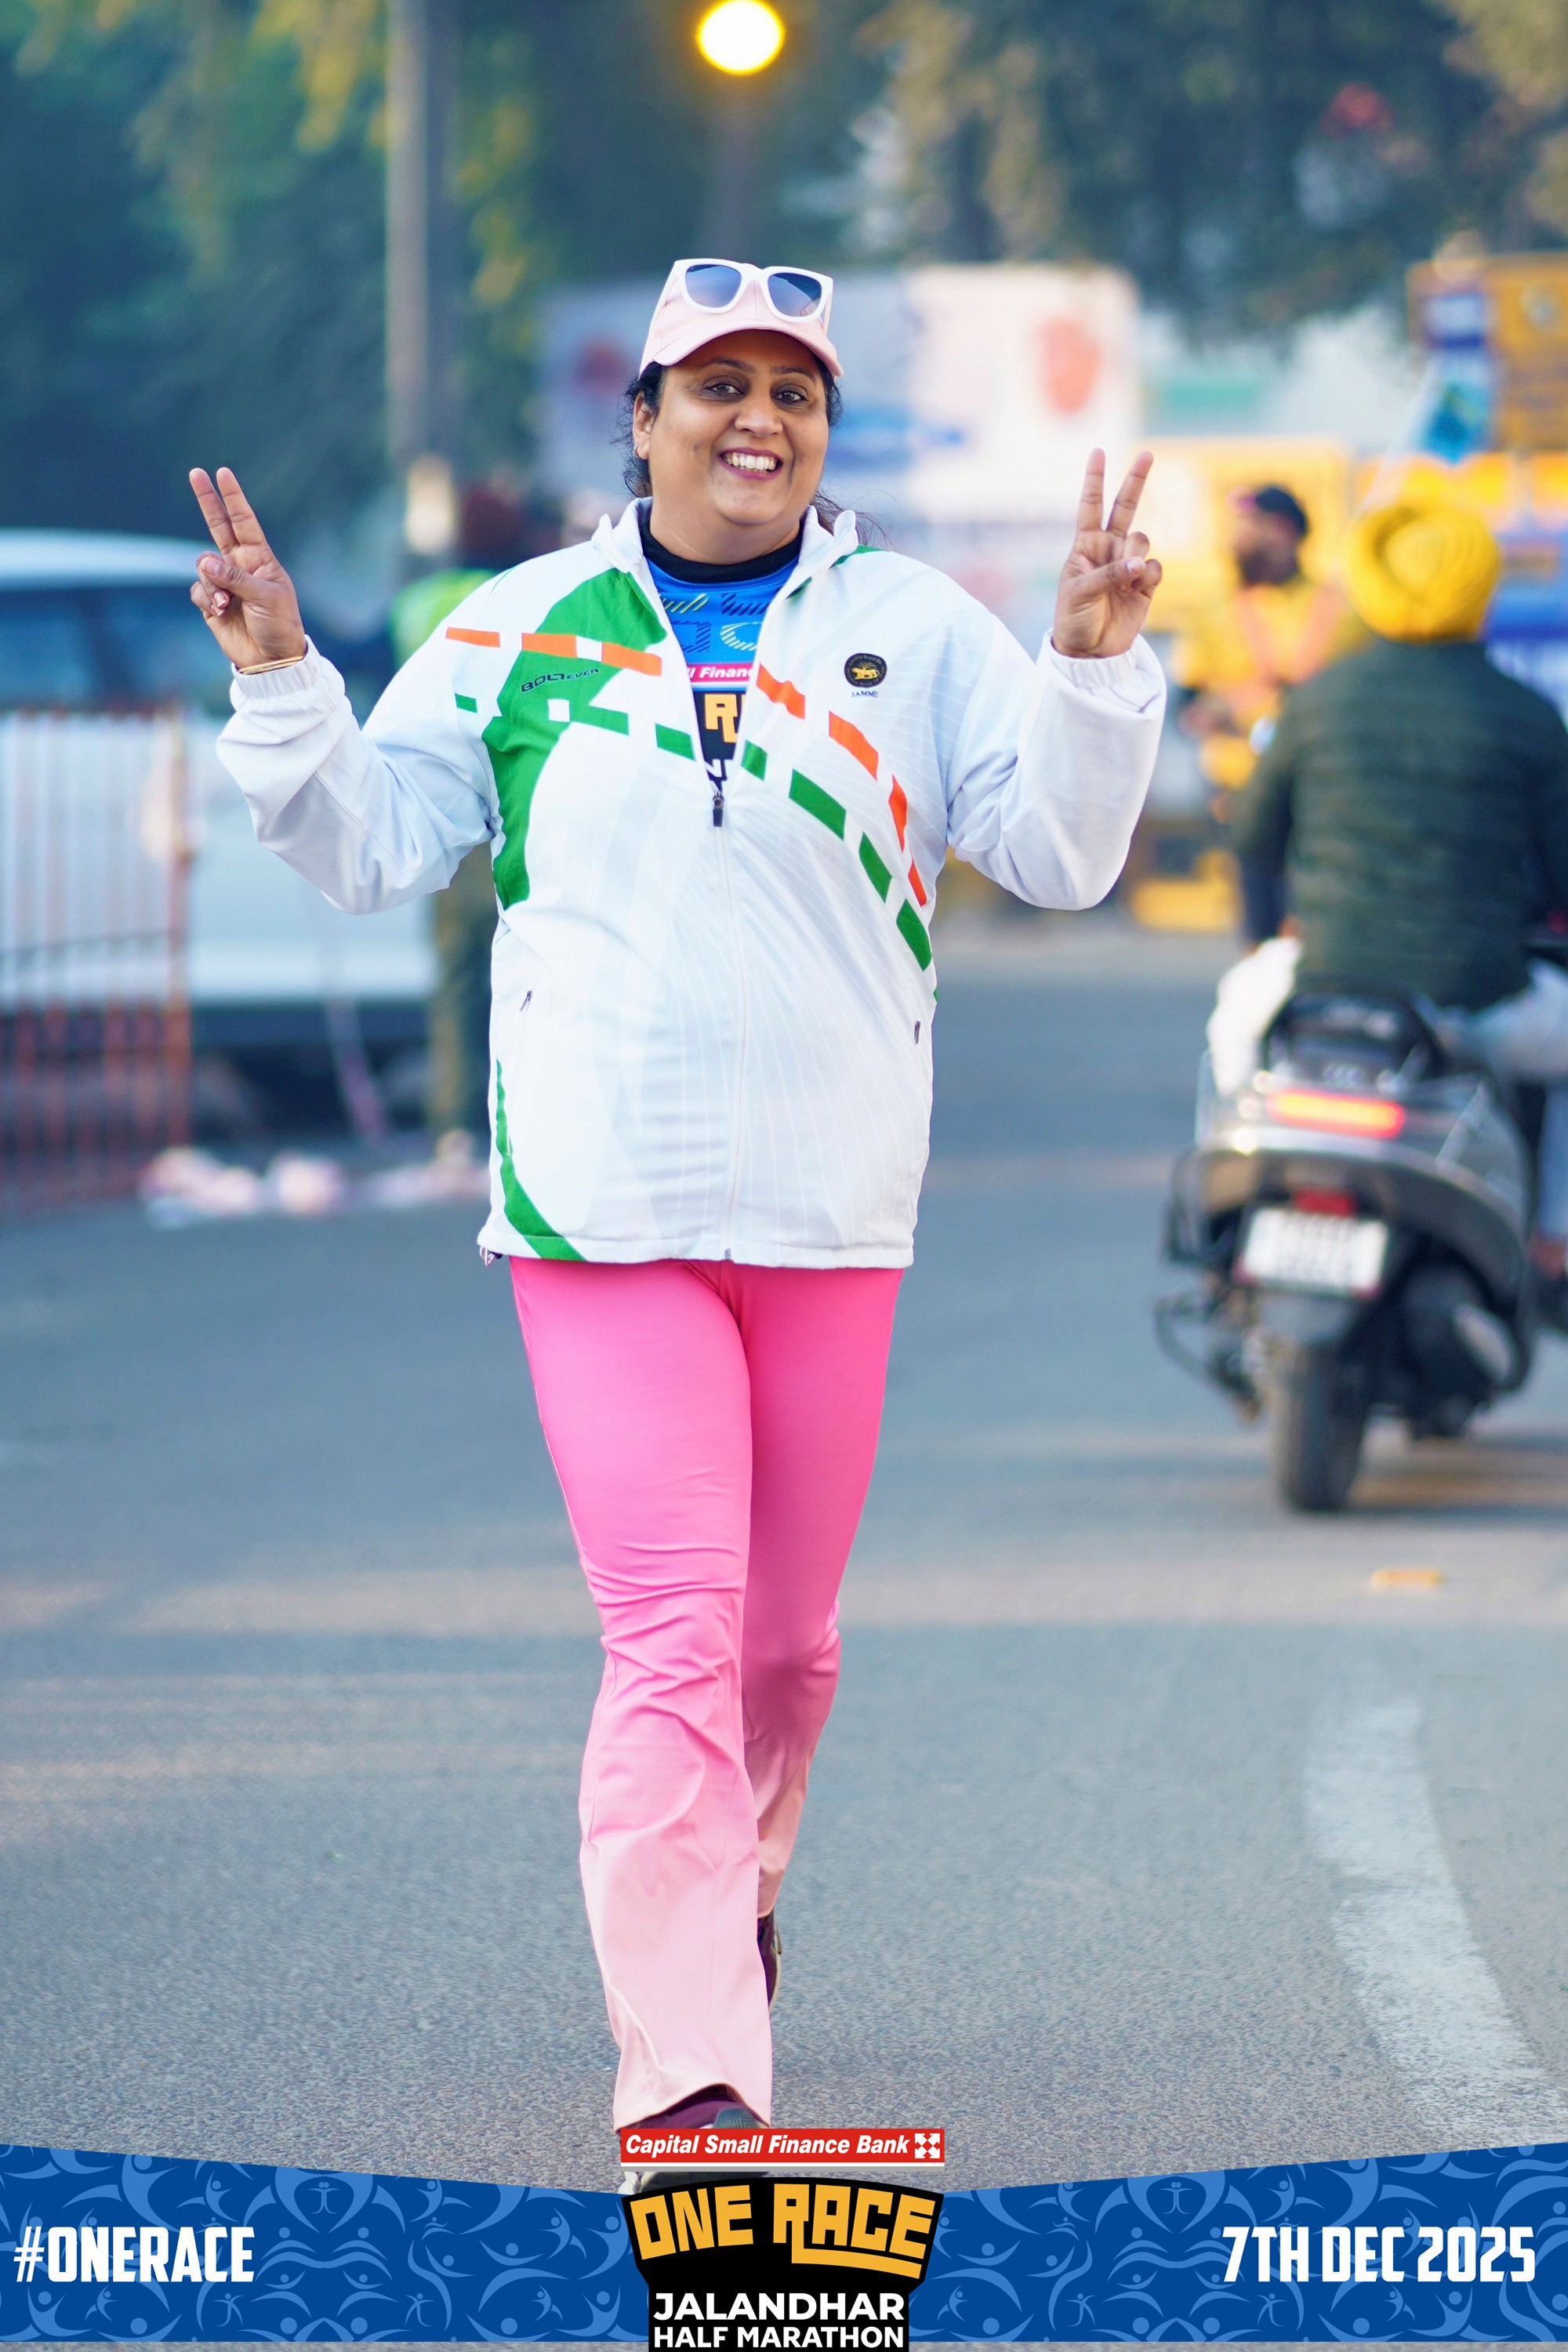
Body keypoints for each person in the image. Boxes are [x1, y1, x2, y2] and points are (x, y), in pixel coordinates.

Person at [187, 255, 1166, 2158]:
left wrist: (1091, 668)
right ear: (640, 421)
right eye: (715, 385)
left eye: (790, 391)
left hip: (830, 1211)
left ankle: (736, 1888)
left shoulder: (915, 629)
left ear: (822, 430)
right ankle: (693, 2073)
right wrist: (284, 682)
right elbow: (370, 846)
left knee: (784, 1651)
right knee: (671, 1642)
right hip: (599, 1209)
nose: (755, 419)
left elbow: (1057, 855)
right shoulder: (520, 628)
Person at [1208, 492, 1568, 1323]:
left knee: (1232, 1027)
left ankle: (1226, 1213)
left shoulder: (1316, 702)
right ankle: (1551, 1239)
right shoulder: (1528, 718)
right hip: (1477, 999)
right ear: (1479, 585)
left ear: (1370, 581)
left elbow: (1253, 836)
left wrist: (1288, 918)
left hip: (1323, 986)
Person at [389, 487, 565, 1154]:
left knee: (459, 974)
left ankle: (455, 1123)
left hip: (443, 805)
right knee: (539, 967)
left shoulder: (419, 602)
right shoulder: (529, 599)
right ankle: (524, 1120)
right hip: (519, 800)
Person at [1174, 484, 1363, 942]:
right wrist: (1206, 717)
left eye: (1250, 528)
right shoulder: (1213, 611)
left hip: (1320, 783)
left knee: (1316, 907)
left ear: (1283, 532)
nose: (1236, 540)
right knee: (1258, 909)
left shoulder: (1345, 612)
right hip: (1240, 781)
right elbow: (1186, 702)